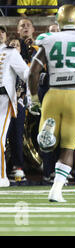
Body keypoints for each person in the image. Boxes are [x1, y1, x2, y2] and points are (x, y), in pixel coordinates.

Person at [28, 4, 75, 202]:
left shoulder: (49, 39)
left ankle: (47, 138)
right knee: (69, 146)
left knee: (48, 146)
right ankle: (56, 190)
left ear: (58, 22)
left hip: (52, 93)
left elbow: (33, 72)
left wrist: (34, 98)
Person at [0, 25, 29, 187]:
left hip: (3, 99)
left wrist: (30, 97)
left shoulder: (10, 53)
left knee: (0, 138)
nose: (0, 34)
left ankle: (2, 176)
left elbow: (25, 73)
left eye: (2, 31)